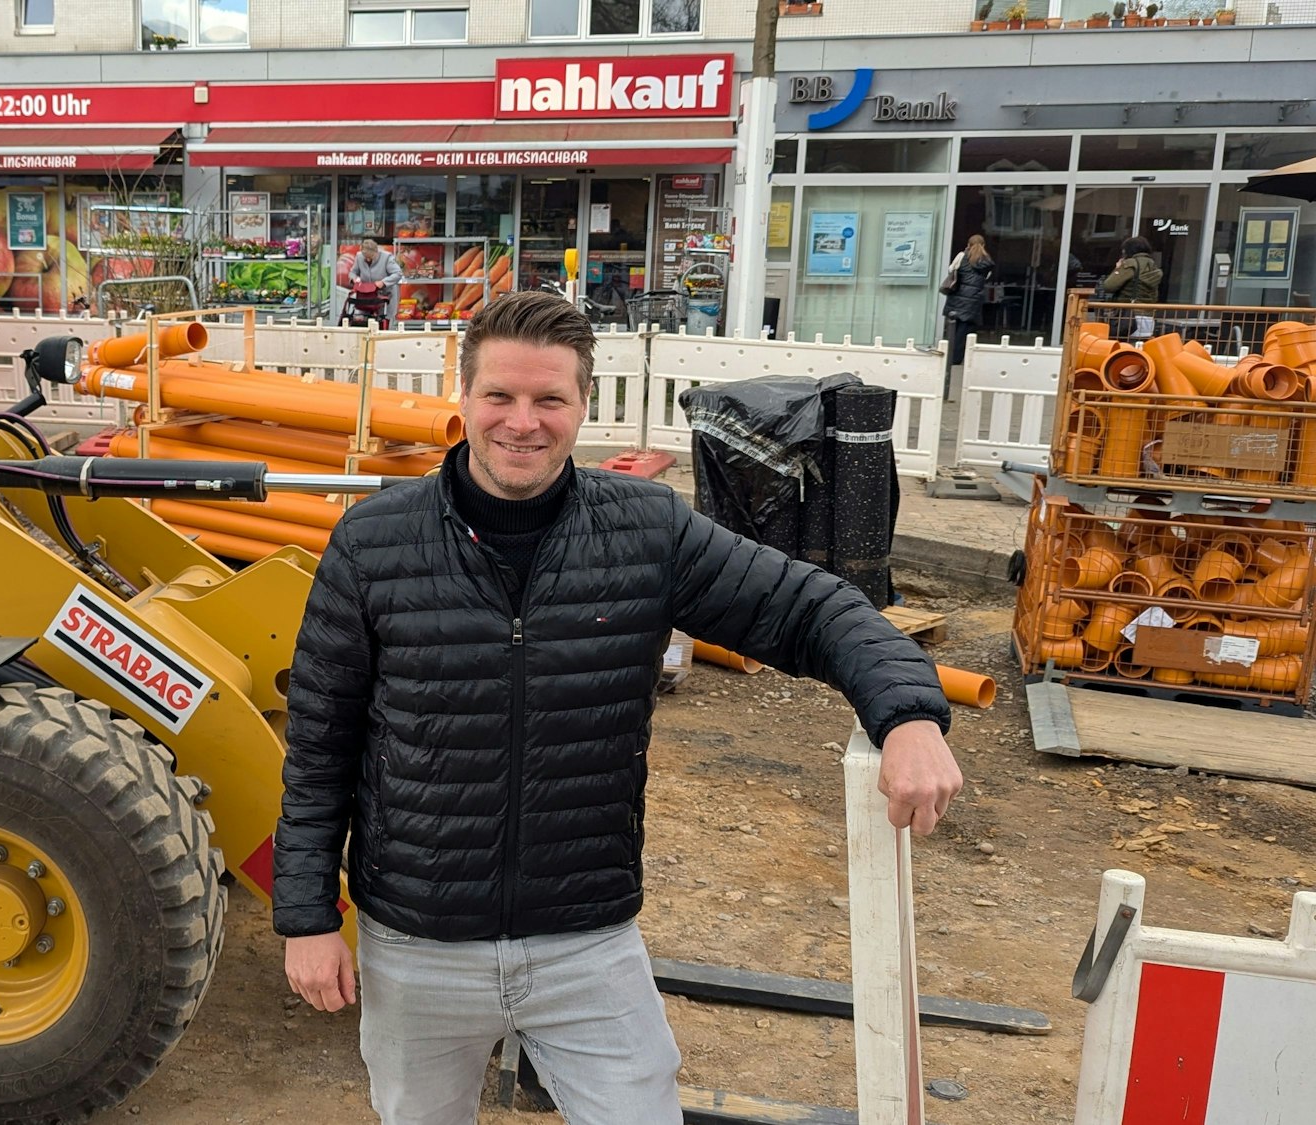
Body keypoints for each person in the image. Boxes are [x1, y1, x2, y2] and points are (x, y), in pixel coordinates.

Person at [274, 290, 965, 1125]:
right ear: (464, 400)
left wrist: (909, 714)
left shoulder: (646, 532)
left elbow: (810, 608)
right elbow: (320, 747)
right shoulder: (373, 543)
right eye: (500, 395)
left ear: (583, 405)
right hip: (419, 944)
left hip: (586, 944)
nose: (522, 422)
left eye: (549, 399)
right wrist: (308, 919)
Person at [943, 234, 995, 397]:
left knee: (953, 327)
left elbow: (952, 270)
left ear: (968, 243)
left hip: (958, 298)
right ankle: (957, 358)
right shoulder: (987, 261)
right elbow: (986, 278)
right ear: (984, 245)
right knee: (964, 330)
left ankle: (949, 357)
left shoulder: (961, 256)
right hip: (973, 301)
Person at [348, 237, 402, 322]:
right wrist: (354, 279)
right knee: (364, 321)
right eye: (365, 257)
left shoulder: (387, 257)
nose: (368, 259)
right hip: (366, 296)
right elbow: (352, 272)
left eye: (371, 257)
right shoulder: (359, 257)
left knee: (385, 321)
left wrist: (383, 282)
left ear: (376, 252)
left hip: (386, 295)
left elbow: (398, 273)